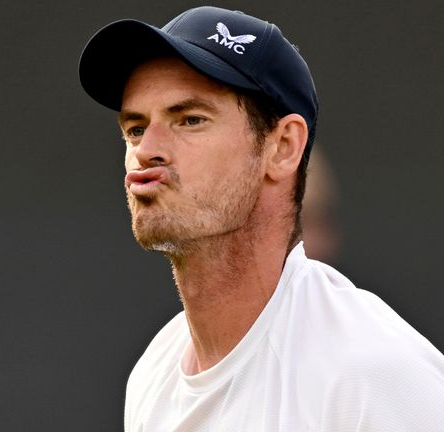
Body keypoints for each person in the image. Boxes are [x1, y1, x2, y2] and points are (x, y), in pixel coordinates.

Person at [78, 6, 444, 431]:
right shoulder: (152, 374)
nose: (145, 151)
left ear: (284, 146)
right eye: (136, 128)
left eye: (190, 119)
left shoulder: (372, 375)